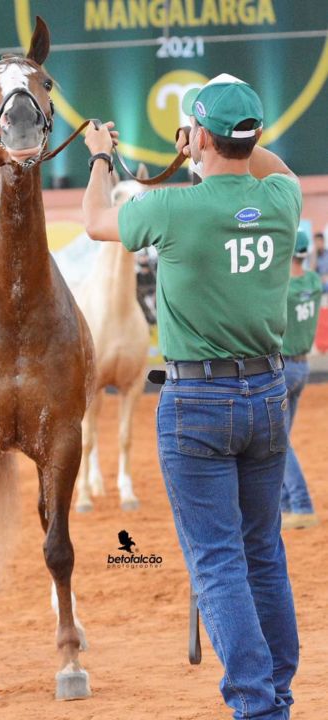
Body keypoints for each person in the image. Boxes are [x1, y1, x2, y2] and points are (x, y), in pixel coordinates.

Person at [82, 74, 301, 720]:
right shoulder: (283, 199)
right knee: (262, 551)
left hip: (199, 403)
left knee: (218, 561)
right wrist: (219, 145)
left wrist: (99, 153)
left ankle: (257, 706)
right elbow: (272, 164)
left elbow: (95, 219)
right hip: (265, 394)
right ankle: (277, 696)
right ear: (252, 137)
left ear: (198, 136)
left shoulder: (173, 207)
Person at [281, 229, 322, 529]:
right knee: (278, 441)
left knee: (279, 443)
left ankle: (301, 504)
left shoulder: (284, 286)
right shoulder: (313, 282)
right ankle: (283, 505)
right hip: (302, 367)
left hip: (281, 368)